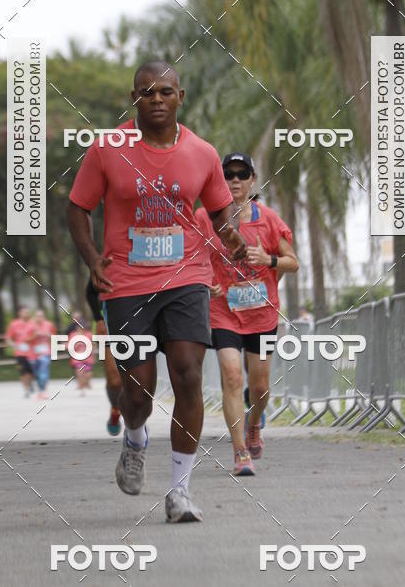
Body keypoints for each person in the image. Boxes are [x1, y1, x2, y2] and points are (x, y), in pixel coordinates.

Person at [67, 61, 246, 523]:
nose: (157, 99)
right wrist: (92, 260)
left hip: (186, 277)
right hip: (126, 282)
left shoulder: (203, 153)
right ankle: (135, 436)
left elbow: (221, 209)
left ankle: (180, 492)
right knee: (139, 392)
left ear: (179, 96)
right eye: (147, 92)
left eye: (165, 91)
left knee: (188, 374)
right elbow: (77, 208)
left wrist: (232, 236)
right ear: (134, 99)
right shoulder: (107, 149)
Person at [195, 152, 298, 475]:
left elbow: (292, 262)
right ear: (219, 180)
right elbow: (190, 257)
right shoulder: (203, 218)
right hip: (222, 312)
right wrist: (205, 282)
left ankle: (254, 424)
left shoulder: (268, 219)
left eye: (242, 174)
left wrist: (268, 260)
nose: (235, 180)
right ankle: (240, 452)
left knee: (260, 386)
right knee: (232, 376)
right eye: (228, 174)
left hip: (262, 317)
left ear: (253, 180)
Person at [85, 278, 123, 435]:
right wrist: (98, 318)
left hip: (140, 319)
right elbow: (90, 291)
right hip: (108, 322)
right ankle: (116, 409)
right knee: (114, 381)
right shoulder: (110, 260)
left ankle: (137, 424)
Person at [5, 306, 35, 396]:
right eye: (25, 312)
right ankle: (26, 389)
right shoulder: (14, 324)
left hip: (32, 353)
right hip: (20, 353)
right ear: (20, 313)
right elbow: (8, 337)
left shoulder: (33, 323)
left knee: (31, 372)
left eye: (28, 312)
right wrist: (13, 344)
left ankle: (30, 384)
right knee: (23, 371)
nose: (27, 314)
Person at [29, 310, 56, 400]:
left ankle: (43, 391)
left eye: (41, 316)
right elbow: (25, 340)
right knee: (36, 373)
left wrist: (49, 335)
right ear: (34, 317)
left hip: (45, 352)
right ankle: (40, 390)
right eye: (37, 316)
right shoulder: (30, 325)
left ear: (44, 317)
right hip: (33, 353)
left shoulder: (49, 325)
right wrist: (34, 336)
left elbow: (54, 337)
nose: (39, 318)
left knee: (43, 372)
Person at [68, 318, 95, 394]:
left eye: (82, 326)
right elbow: (69, 347)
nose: (80, 328)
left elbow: (93, 345)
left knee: (88, 374)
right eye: (78, 326)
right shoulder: (73, 335)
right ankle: (81, 387)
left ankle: (86, 383)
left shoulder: (89, 334)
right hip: (77, 358)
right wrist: (77, 343)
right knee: (80, 372)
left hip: (88, 358)